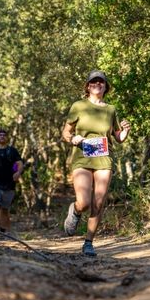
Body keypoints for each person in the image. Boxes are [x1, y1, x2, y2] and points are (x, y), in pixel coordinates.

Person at [62, 70, 131, 257]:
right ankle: (75, 211)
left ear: (105, 86)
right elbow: (66, 132)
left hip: (103, 159)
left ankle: (89, 242)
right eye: (93, 82)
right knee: (84, 203)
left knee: (98, 203)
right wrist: (73, 138)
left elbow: (118, 137)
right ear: (88, 86)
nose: (97, 84)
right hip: (82, 157)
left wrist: (124, 132)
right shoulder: (78, 106)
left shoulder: (111, 109)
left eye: (101, 82)